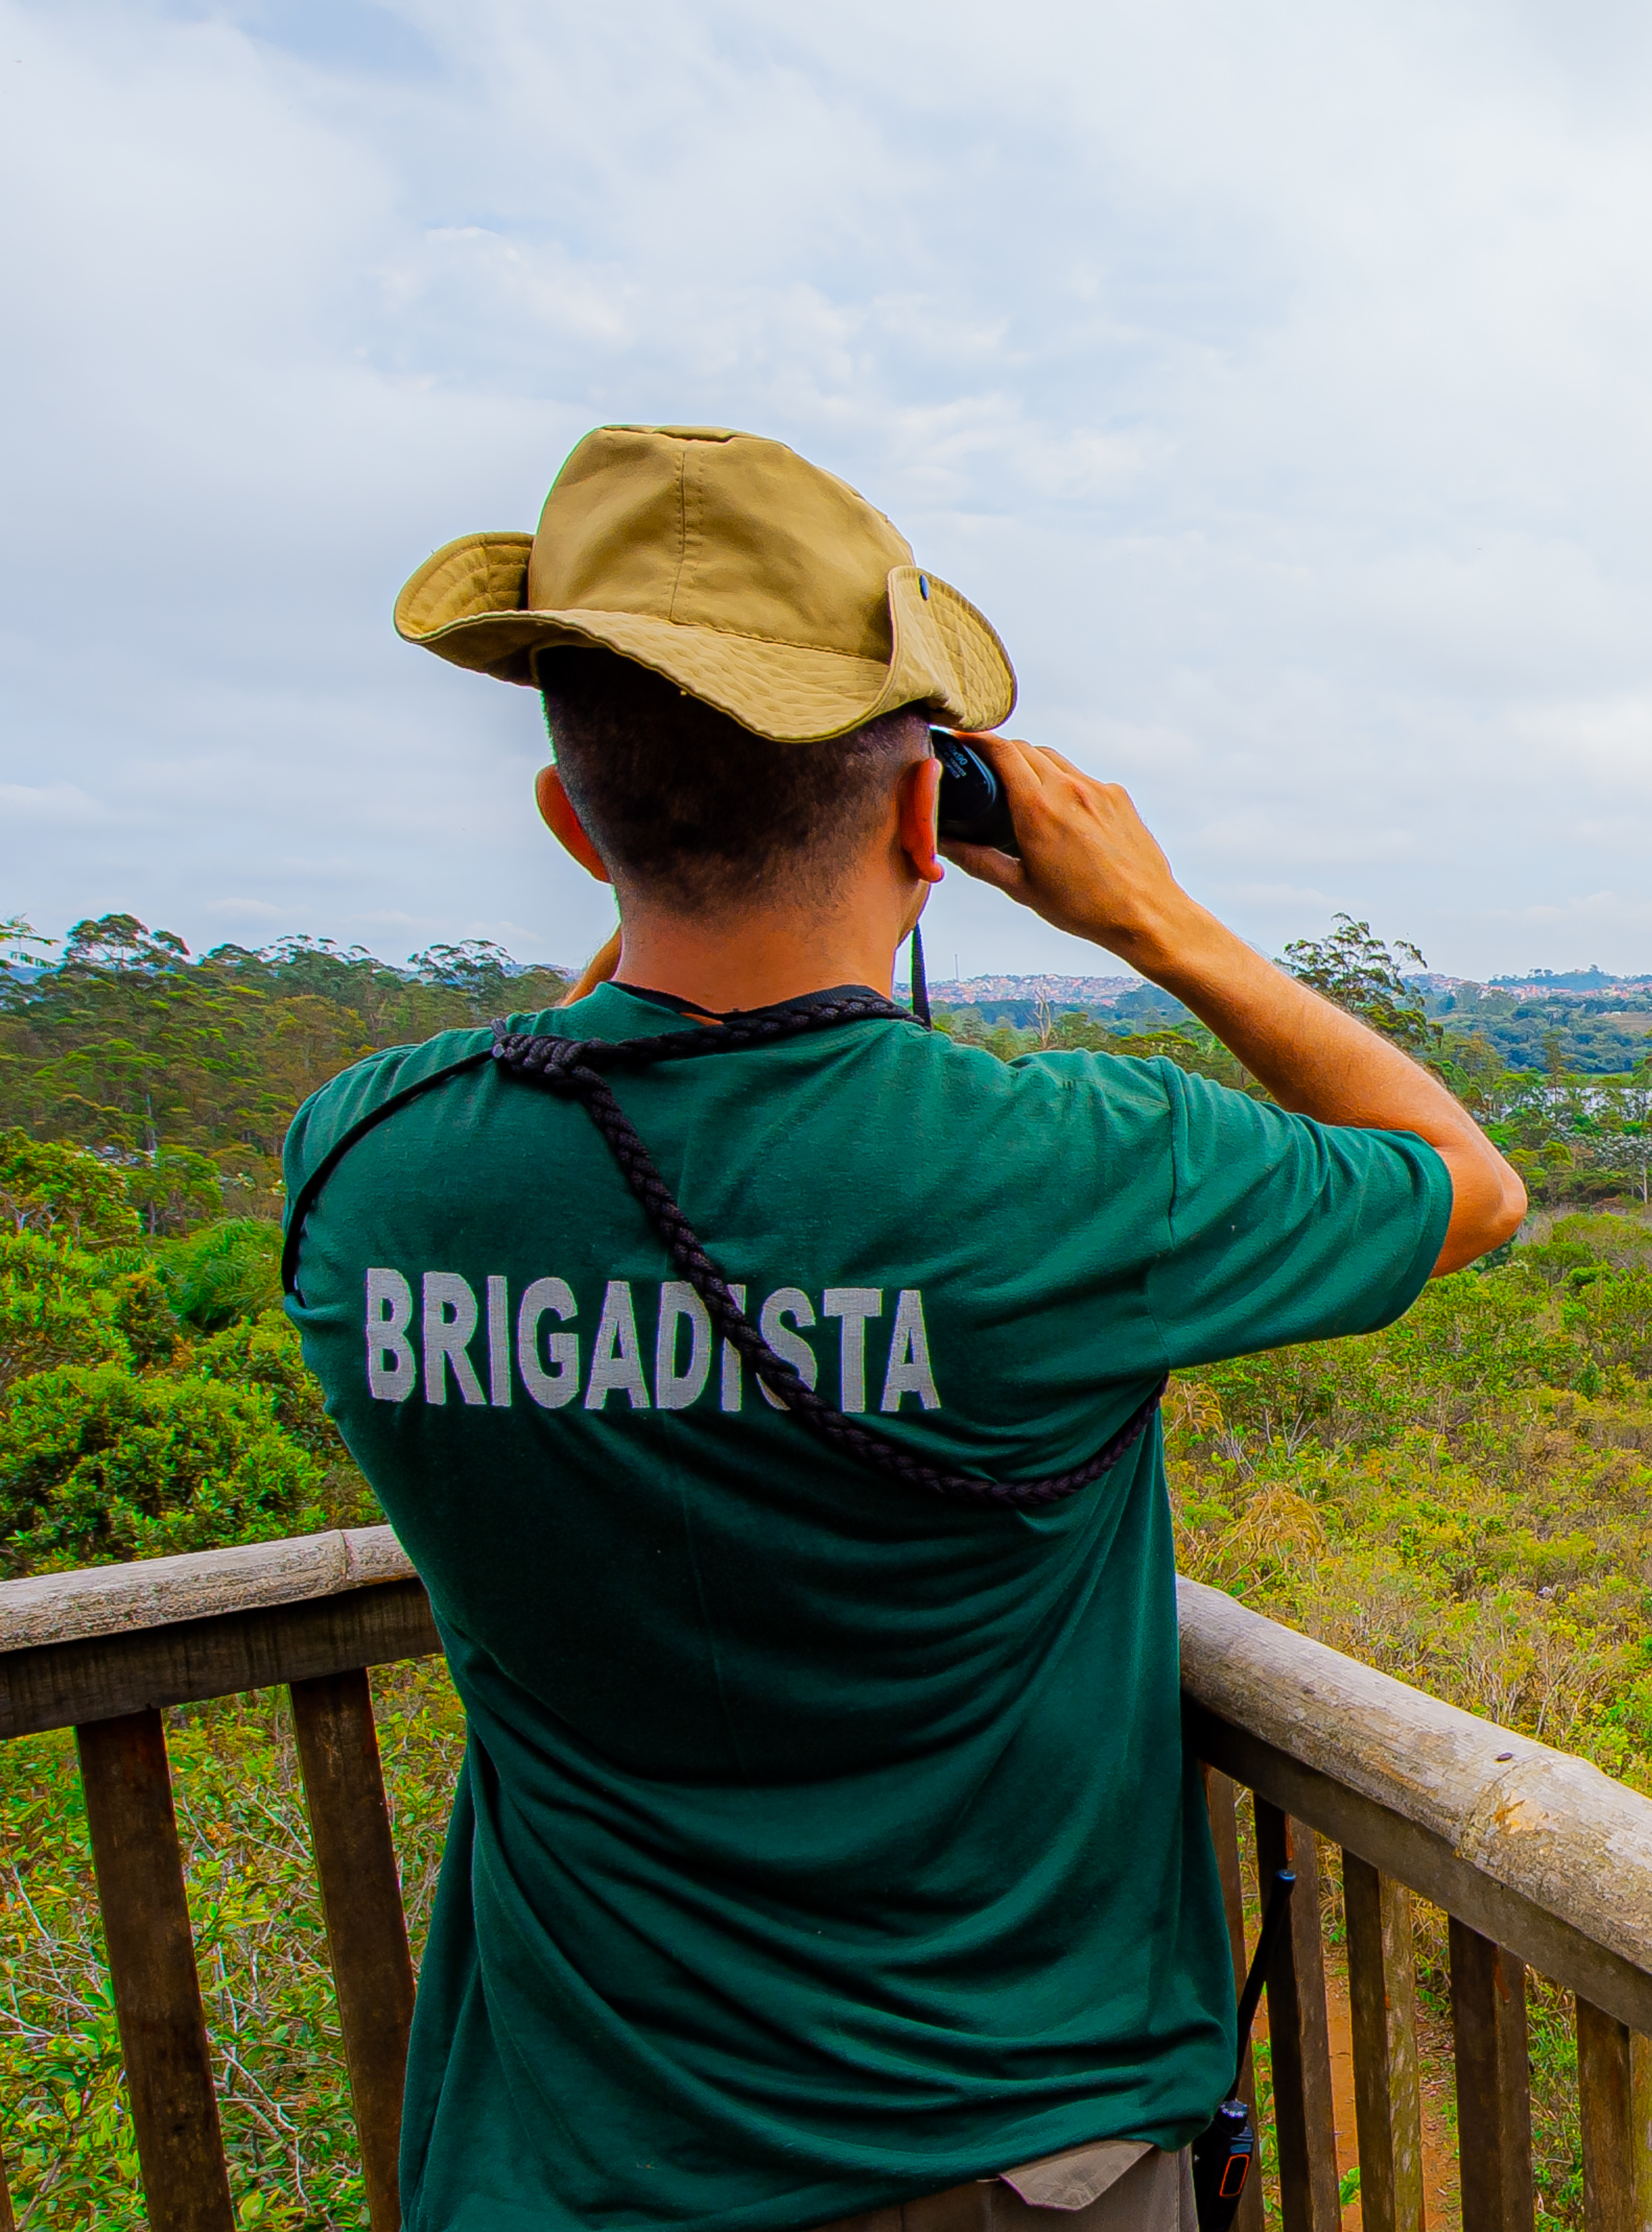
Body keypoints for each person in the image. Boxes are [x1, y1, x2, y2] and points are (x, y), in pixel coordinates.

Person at [281, 425, 1523, 2232]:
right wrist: (1150, 914)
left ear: (567, 822)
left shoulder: (375, 1167)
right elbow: (1461, 1187)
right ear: (927, 820)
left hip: (571, 2159)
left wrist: (651, 886)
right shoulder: (1058, 1167)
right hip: (1019, 2148)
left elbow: (589, 1073)